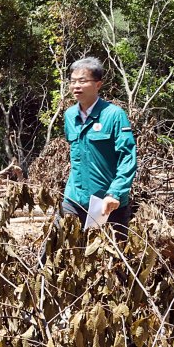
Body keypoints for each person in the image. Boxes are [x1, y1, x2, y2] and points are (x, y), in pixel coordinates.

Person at [61, 57, 136, 236]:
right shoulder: (70, 115)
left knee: (113, 257)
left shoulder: (114, 115)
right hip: (74, 198)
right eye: (72, 81)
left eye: (83, 81)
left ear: (98, 84)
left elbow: (127, 157)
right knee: (62, 252)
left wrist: (115, 193)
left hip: (107, 202)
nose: (76, 86)